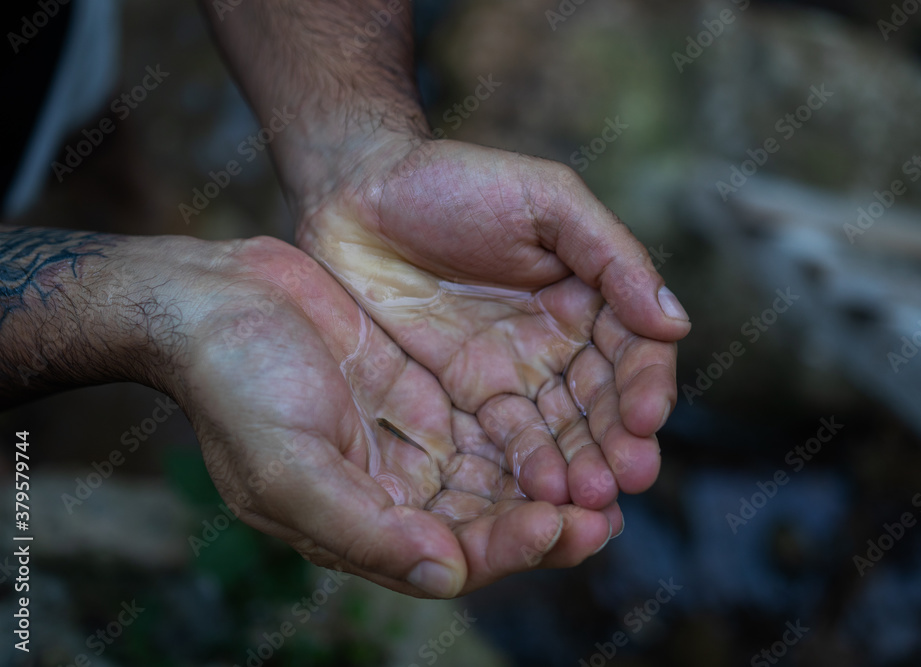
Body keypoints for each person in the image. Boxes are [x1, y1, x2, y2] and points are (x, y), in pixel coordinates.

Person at [0, 0, 690, 599]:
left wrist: (356, 149)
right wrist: (160, 307)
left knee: (87, 134)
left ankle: (124, 194)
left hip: (53, 54)